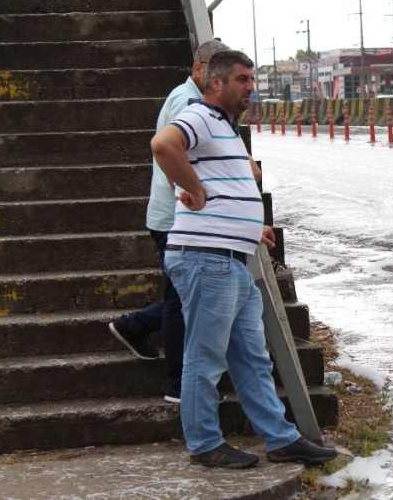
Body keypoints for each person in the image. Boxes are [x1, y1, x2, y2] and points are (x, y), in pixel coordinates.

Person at [151, 50, 338, 469]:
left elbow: (222, 187)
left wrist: (249, 226)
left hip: (232, 258)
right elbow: (163, 145)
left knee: (252, 357)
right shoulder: (199, 115)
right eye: (240, 79)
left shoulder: (224, 127)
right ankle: (204, 444)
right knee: (205, 358)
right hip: (205, 258)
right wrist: (193, 190)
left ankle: (281, 439)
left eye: (251, 79)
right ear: (215, 82)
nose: (249, 86)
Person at [108, 40, 236, 403]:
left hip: (174, 218)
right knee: (183, 302)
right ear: (199, 70)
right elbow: (170, 156)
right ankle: (179, 386)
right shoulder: (188, 103)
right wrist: (194, 195)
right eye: (215, 70)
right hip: (176, 220)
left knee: (182, 296)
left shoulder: (196, 100)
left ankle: (131, 327)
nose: (219, 79)